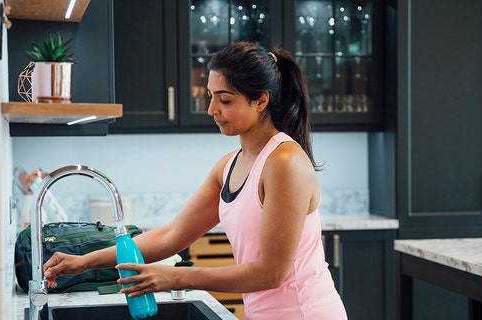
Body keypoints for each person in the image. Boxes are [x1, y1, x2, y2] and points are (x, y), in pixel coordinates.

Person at [42, 41, 348, 319]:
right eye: (211, 97)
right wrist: (84, 261)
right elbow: (171, 235)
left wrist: (176, 277)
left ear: (260, 101)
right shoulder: (228, 166)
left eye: (225, 100)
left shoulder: (285, 163)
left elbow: (271, 273)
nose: (212, 109)